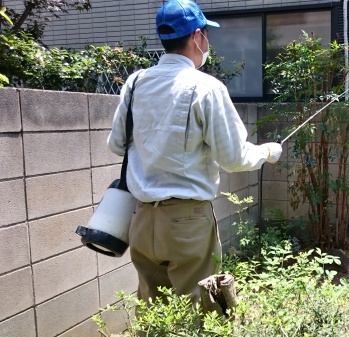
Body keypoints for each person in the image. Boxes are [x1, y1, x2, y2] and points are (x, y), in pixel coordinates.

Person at [107, 0, 282, 305]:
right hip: (187, 220)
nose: (207, 42)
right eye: (206, 35)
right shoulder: (206, 88)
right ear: (196, 36)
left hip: (142, 218)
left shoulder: (136, 83)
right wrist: (267, 151)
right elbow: (234, 158)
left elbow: (116, 145)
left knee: (153, 310)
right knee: (198, 310)